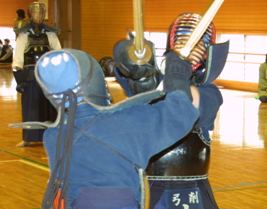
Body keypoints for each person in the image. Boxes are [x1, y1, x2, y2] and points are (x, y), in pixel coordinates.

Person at [32, 48, 203, 209]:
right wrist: (177, 70)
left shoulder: (53, 135)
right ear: (93, 81)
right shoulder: (126, 123)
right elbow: (184, 108)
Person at [114, 12, 229, 209]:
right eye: (182, 41)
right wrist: (136, 72)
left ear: (207, 53)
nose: (189, 49)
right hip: (153, 189)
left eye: (198, 45)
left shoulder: (210, 94)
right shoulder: (156, 84)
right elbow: (145, 92)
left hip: (192, 191)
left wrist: (176, 68)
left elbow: (180, 104)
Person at [12, 1, 61, 147]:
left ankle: (51, 136)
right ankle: (29, 138)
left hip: (48, 75)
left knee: (49, 106)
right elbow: (18, 56)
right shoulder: (23, 34)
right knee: (31, 107)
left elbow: (57, 52)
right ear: (30, 14)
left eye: (40, 12)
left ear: (44, 14)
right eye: (35, 12)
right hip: (30, 75)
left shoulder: (51, 33)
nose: (38, 15)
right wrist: (19, 78)